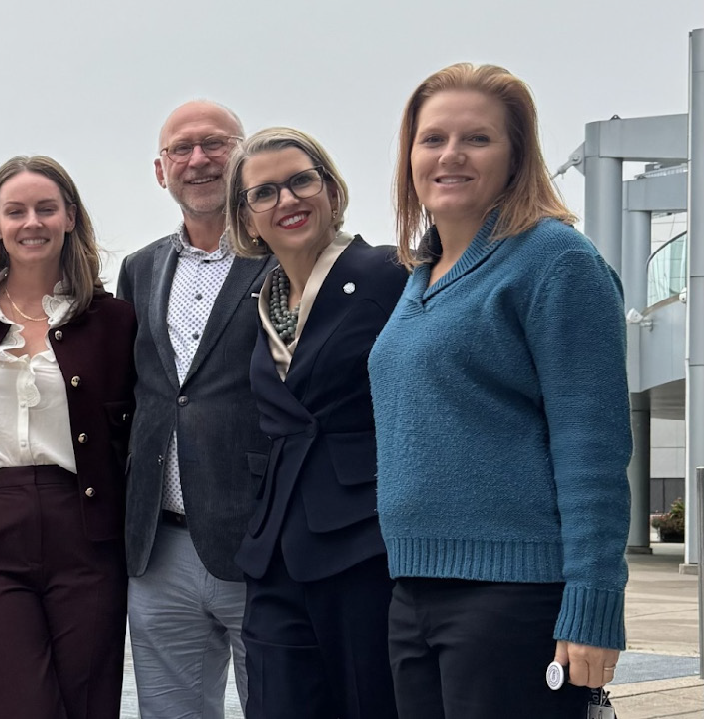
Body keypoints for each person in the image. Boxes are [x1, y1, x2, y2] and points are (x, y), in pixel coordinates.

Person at [369, 63, 632, 718]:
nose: (450, 154)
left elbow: (593, 448)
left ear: (516, 155)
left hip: (514, 597)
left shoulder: (555, 261)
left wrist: (594, 607)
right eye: (432, 139)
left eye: (477, 139)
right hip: (414, 592)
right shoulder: (421, 273)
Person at [0, 155, 135, 719]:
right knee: (17, 706)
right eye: (14, 211)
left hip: (87, 533)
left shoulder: (112, 319)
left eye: (46, 209)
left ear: (70, 217)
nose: (32, 222)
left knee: (89, 704)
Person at [224, 127, 405, 719]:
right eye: (264, 192)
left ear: (330, 189)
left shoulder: (389, 276)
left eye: (301, 181)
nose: (287, 200)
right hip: (277, 541)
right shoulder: (263, 300)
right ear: (247, 219)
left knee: (368, 701)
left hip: (364, 536)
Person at [117, 100, 275, 718]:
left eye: (215, 144)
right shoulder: (139, 269)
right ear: (161, 172)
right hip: (159, 548)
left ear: (243, 155)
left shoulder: (283, 253)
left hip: (260, 539)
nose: (199, 159)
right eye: (180, 149)